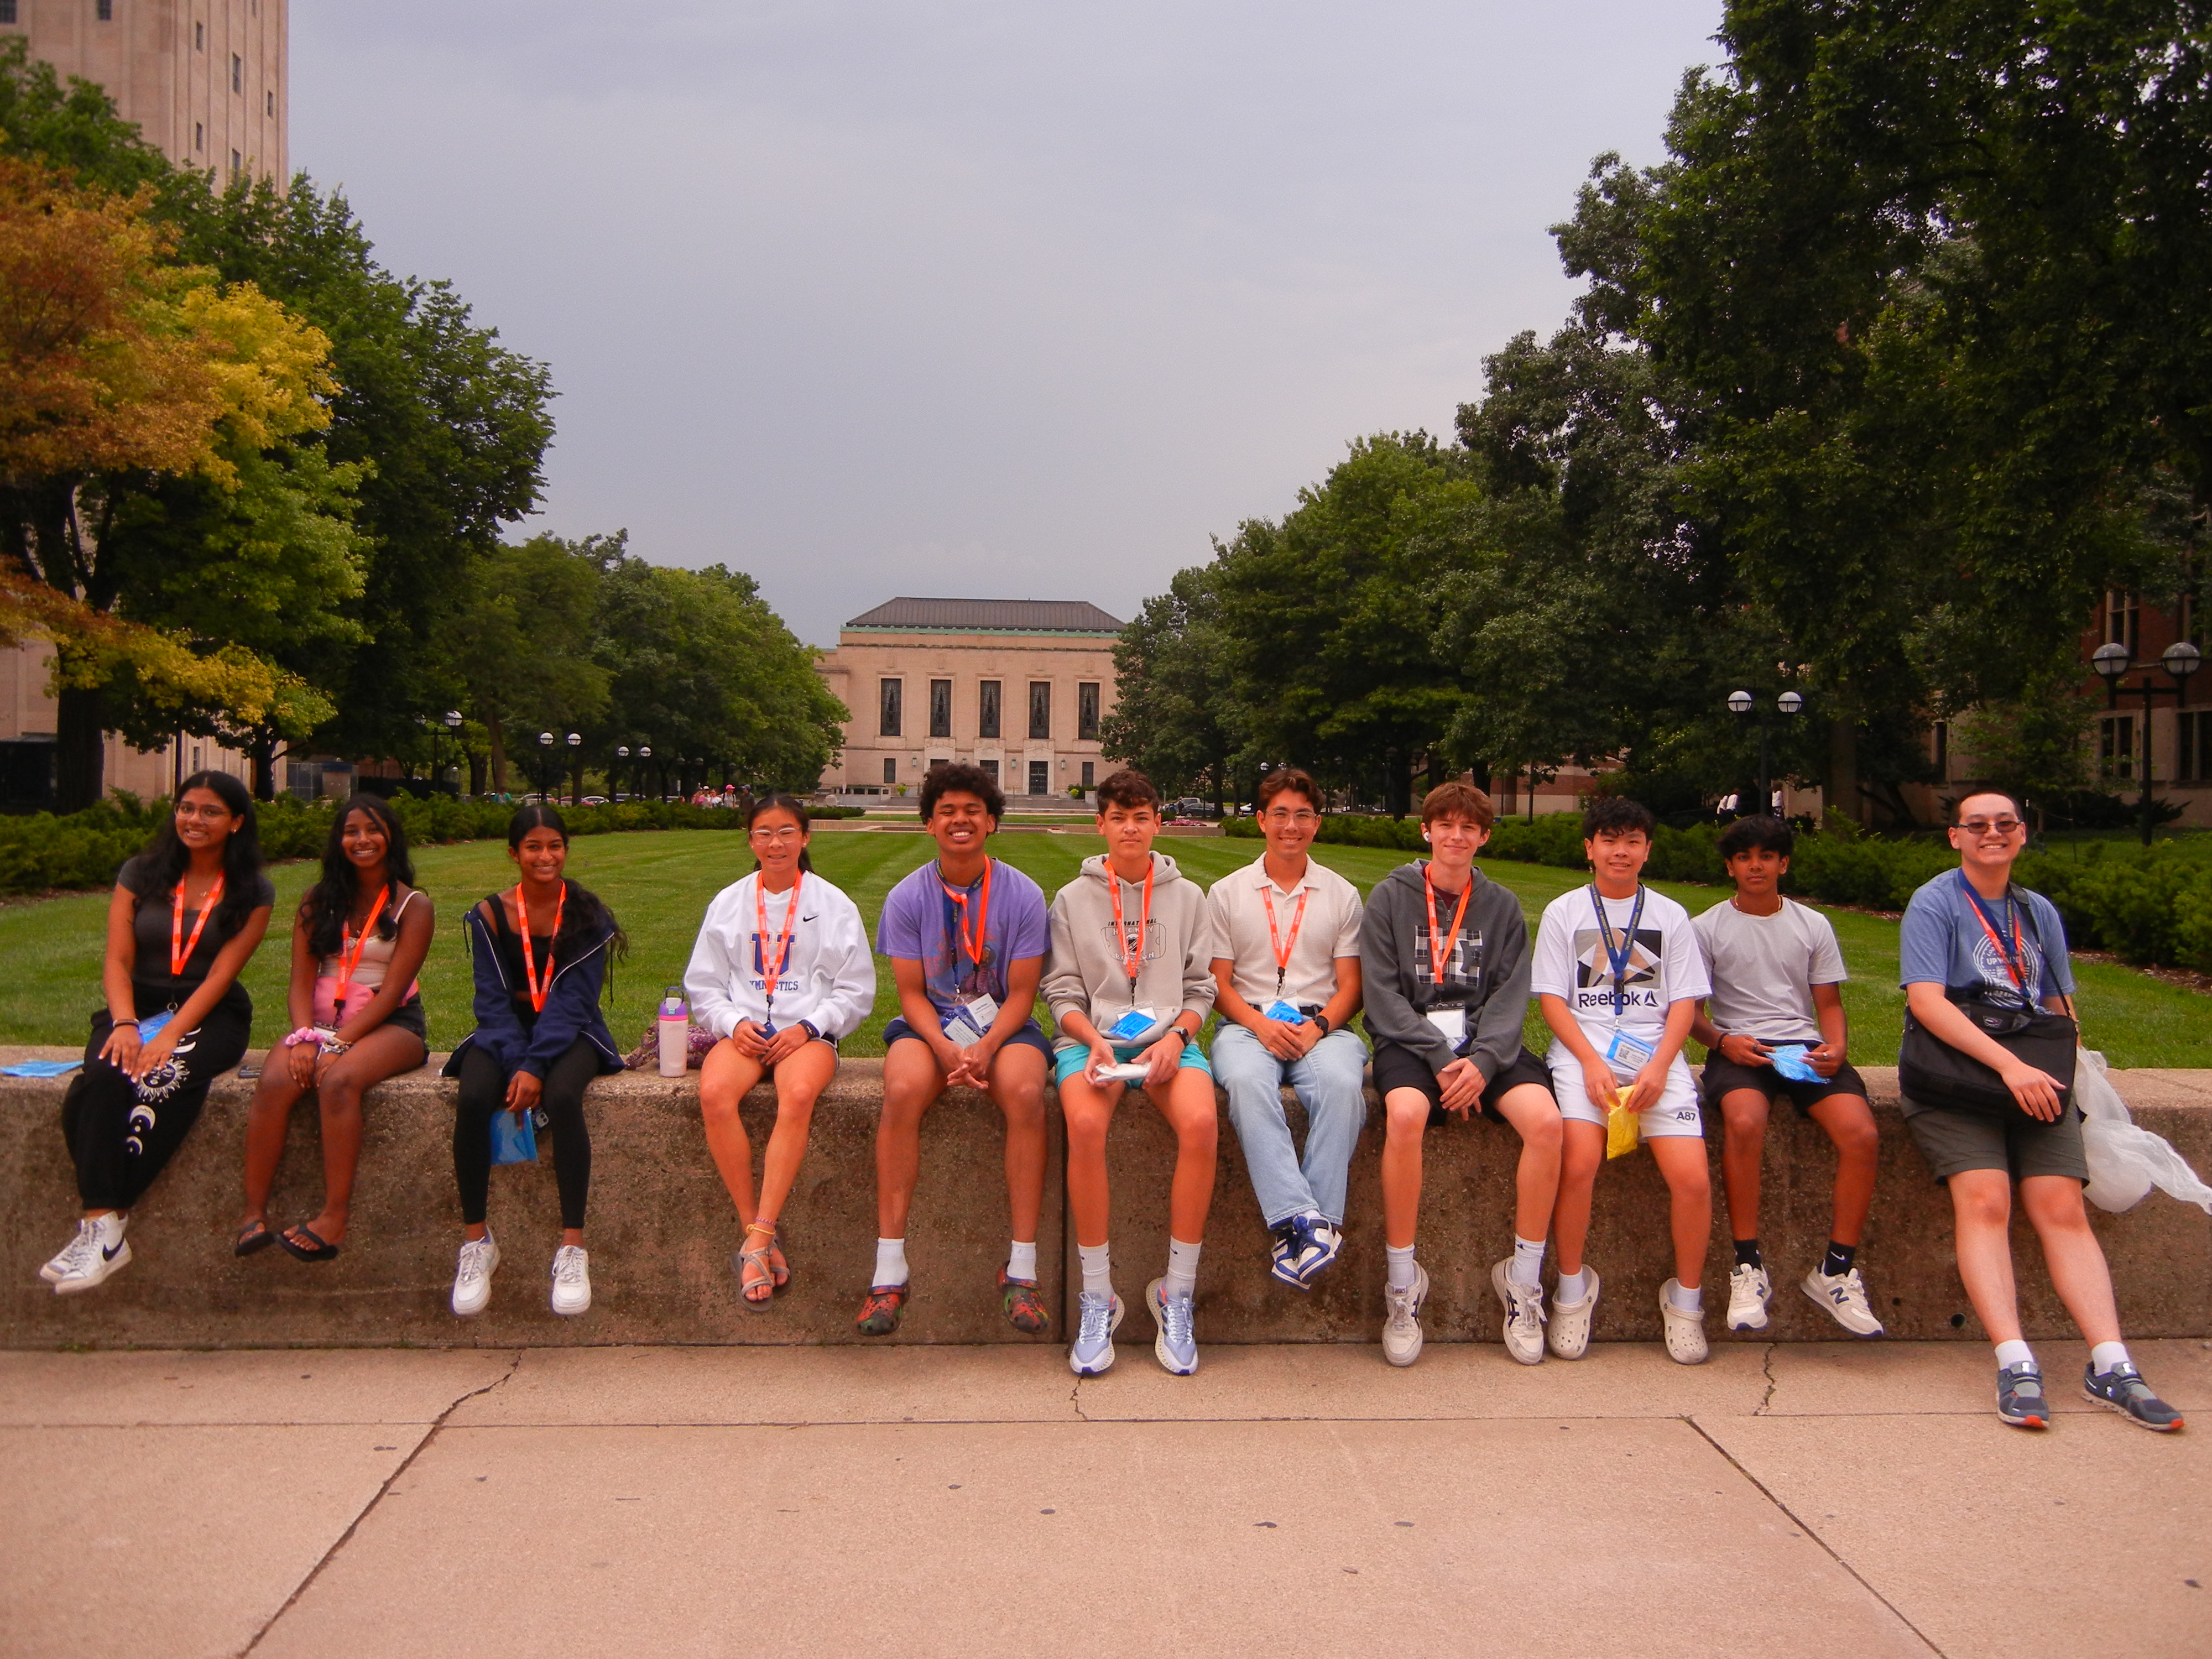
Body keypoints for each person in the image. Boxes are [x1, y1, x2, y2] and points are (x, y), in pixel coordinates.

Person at [1899, 791, 2182, 1431]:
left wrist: (2067, 1069)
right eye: (1977, 825)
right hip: (1956, 1079)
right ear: (1955, 836)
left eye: (2005, 824)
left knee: (2061, 1207)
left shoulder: (2037, 911)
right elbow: (1926, 1002)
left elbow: (2058, 1005)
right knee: (1985, 1199)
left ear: (2022, 834)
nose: (1992, 833)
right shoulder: (1935, 902)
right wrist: (2009, 1067)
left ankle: (2111, 1365)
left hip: (2036, 1080)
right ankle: (2015, 1361)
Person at [40, 773, 275, 1295]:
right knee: (101, 1078)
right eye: (186, 808)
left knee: (165, 1077)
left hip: (209, 1014)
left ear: (236, 822)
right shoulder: (140, 874)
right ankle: (105, 1227)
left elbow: (220, 977)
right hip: (136, 1006)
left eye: (210, 812)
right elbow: (117, 959)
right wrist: (126, 1024)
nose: (194, 820)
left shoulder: (254, 891)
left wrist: (171, 1035)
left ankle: (103, 1226)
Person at [1360, 781, 1562, 1366]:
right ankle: (1403, 1284)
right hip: (1411, 1041)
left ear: (1484, 837)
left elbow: (1509, 995)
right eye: (1445, 825)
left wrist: (1482, 1061)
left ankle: (1523, 1280)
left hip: (1484, 1047)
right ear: (1426, 830)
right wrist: (1439, 1057)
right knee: (1405, 1115)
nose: (1456, 836)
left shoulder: (1501, 905)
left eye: (1468, 828)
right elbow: (1382, 995)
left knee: (1547, 1124)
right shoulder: (1389, 897)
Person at [862, 761, 1053, 1337]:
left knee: (1025, 1091)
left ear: (992, 821)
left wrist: (987, 1045)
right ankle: (889, 1270)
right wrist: (946, 1047)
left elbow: (1022, 993)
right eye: (947, 811)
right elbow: (910, 993)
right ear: (929, 824)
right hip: (930, 1027)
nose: (960, 820)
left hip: (1004, 1027)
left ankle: (1021, 1269)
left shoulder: (1023, 894)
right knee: (901, 1089)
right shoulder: (906, 896)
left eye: (973, 810)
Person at [1047, 768, 1220, 1376]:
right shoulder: (1072, 898)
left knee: (1201, 1124)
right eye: (1118, 818)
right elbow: (1061, 990)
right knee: (1085, 1127)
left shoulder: (1188, 896)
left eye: (1140, 817)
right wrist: (1094, 1040)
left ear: (1157, 824)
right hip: (1093, 1043)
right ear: (1100, 825)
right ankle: (1098, 1296)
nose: (1129, 828)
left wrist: (1177, 1038)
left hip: (1168, 1042)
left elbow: (1201, 989)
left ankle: (1177, 1292)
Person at [1533, 796, 1714, 1365]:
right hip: (1583, 1056)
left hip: (1656, 1058)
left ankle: (1685, 1302)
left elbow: (1684, 1002)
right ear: (1589, 849)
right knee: (1579, 1164)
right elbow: (1552, 1001)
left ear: (1647, 850)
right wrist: (1590, 1062)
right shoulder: (1564, 912)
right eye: (1609, 840)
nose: (1620, 851)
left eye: (1632, 841)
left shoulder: (1670, 915)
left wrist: (1661, 1065)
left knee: (1692, 1180)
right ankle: (1571, 1289)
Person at [1689, 816, 1883, 1337]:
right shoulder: (1706, 927)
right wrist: (1723, 1042)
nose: (1756, 866)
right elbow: (1690, 1014)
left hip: (1803, 1048)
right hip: (1741, 1049)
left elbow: (1829, 1003)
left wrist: (1837, 1048)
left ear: (1784, 864)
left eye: (1767, 857)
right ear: (1730, 868)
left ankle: (1836, 1270)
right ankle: (1747, 1265)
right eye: (1745, 857)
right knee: (1745, 1122)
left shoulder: (1812, 924)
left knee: (1861, 1134)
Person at [685, 793, 874, 1306]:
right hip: (746, 1031)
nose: (776, 843)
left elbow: (855, 989)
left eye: (787, 832)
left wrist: (811, 1027)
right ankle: (757, 1233)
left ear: (805, 837)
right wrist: (732, 1023)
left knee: (798, 1095)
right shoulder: (729, 903)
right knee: (715, 1094)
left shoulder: (833, 904)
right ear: (750, 841)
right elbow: (704, 985)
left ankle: (760, 1237)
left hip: (806, 1034)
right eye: (764, 833)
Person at [444, 805, 626, 1319]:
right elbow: (491, 1000)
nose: (545, 856)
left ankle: (572, 1248)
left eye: (555, 846)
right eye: (533, 847)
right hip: (505, 1031)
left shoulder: (587, 914)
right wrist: (516, 1059)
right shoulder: (488, 915)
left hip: (573, 1032)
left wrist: (535, 1066)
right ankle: (477, 1243)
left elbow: (575, 1002)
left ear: (566, 850)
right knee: (474, 1097)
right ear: (513, 853)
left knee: (564, 1096)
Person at [237, 794, 435, 1262]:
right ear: (338, 841)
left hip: (390, 1023)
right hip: (321, 1022)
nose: (362, 840)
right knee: (275, 1081)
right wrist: (306, 1037)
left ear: (390, 838)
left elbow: (392, 992)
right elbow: (300, 982)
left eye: (373, 830)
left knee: (339, 1081)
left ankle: (335, 1216)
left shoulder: (414, 906)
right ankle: (252, 1214)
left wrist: (340, 1045)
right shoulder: (317, 900)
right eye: (351, 832)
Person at [1207, 768, 1366, 1290]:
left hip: (1321, 1025)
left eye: (1302, 816)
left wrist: (1318, 1027)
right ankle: (1309, 1223)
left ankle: (1302, 1228)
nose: (1291, 826)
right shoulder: (1227, 893)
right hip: (1247, 1022)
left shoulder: (1342, 895)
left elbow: (1352, 987)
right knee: (1246, 1082)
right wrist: (1258, 1023)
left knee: (1343, 1084)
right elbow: (1217, 983)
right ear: (1261, 820)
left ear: (1317, 824)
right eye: (1280, 814)